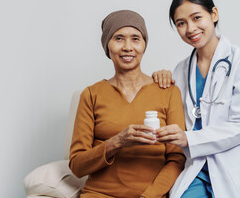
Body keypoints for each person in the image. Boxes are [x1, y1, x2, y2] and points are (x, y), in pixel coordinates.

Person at [152, 0, 240, 198]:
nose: (190, 28)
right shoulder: (181, 70)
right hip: (198, 167)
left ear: (214, 14)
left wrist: (188, 139)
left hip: (237, 163)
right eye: (181, 23)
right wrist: (159, 78)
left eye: (197, 17)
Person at [69, 10, 186, 198]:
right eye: (119, 38)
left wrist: (149, 196)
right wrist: (117, 142)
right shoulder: (91, 95)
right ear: (107, 46)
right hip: (99, 194)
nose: (128, 47)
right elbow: (77, 165)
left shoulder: (168, 92)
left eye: (135, 39)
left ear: (144, 45)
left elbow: (177, 159)